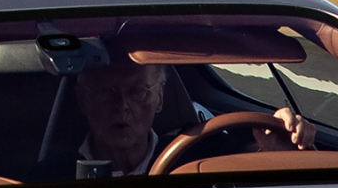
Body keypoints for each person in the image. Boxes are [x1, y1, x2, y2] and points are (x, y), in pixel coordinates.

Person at [58, 58, 315, 178]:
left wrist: (277, 148)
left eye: (137, 92)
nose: (122, 106)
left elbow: (246, 159)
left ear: (160, 98)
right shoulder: (50, 175)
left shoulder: (200, 158)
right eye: (105, 92)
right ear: (83, 99)